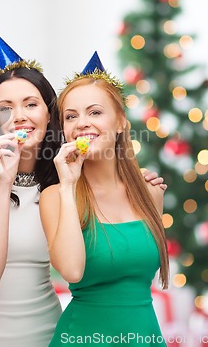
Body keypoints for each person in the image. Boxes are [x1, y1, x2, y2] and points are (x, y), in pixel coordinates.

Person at [0, 28, 166, 347]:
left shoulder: (58, 180)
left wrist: (135, 180)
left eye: (31, 104)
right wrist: (4, 180)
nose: (20, 117)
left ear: (48, 116)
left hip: (46, 331)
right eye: (6, 108)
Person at [40, 52, 169, 347]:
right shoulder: (55, 197)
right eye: (71, 116)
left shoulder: (150, 194)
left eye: (95, 112)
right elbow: (71, 271)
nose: (82, 123)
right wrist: (68, 186)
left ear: (121, 122)